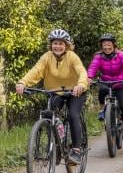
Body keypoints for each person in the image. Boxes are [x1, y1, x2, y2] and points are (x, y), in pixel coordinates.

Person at [16, 28, 88, 165]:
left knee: (73, 115)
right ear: (51, 45)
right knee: (49, 114)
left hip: (76, 91)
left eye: (61, 44)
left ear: (66, 45)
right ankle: (57, 147)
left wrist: (81, 85)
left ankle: (76, 151)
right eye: (55, 43)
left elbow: (82, 72)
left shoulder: (72, 57)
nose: (58, 46)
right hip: (55, 91)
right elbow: (36, 71)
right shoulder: (46, 57)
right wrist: (22, 82)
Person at [87, 33, 123, 141]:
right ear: (101, 46)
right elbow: (92, 68)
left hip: (120, 83)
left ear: (113, 45)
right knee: (102, 92)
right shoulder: (98, 57)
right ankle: (102, 110)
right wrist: (89, 77)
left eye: (109, 44)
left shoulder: (121, 55)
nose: (107, 47)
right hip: (106, 82)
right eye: (104, 44)